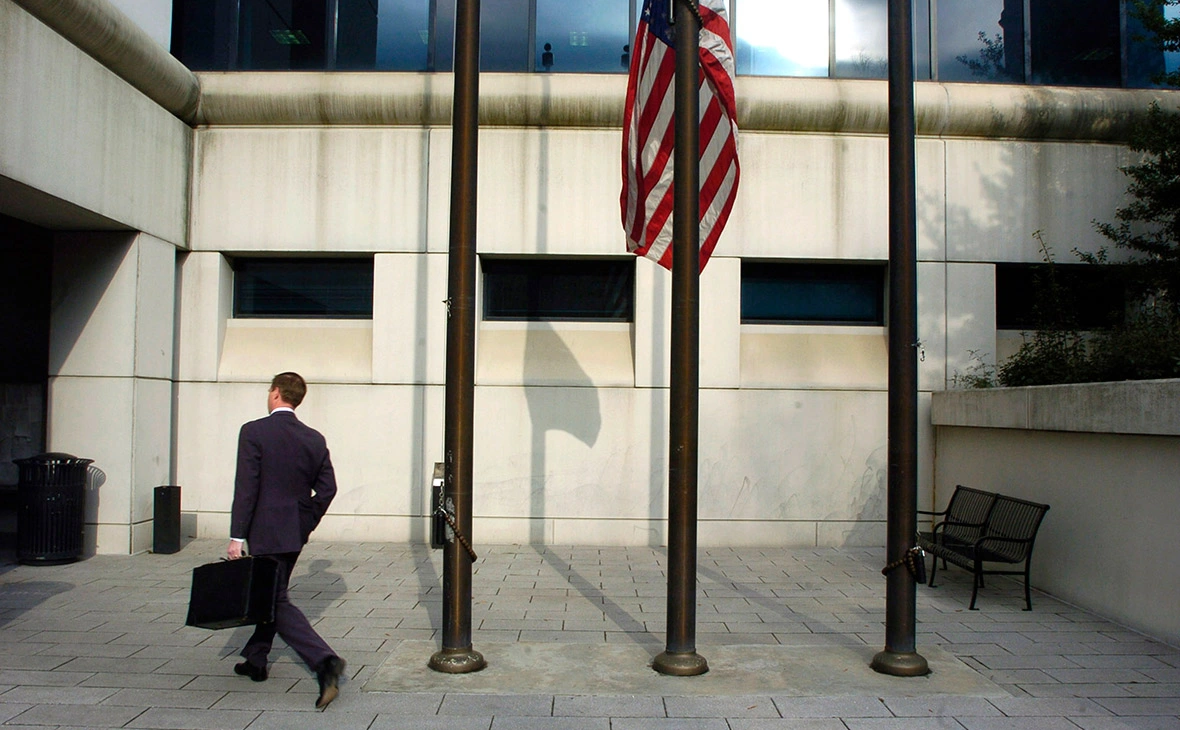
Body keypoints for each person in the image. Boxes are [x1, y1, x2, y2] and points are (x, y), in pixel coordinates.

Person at [227, 372, 346, 710]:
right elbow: (328, 489)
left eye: (270, 390)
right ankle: (256, 658)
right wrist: (305, 519)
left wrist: (237, 535)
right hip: (293, 532)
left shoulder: (254, 432)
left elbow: (246, 486)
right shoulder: (314, 438)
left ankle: (324, 661)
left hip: (264, 531)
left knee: (275, 599)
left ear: (276, 393)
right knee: (270, 593)